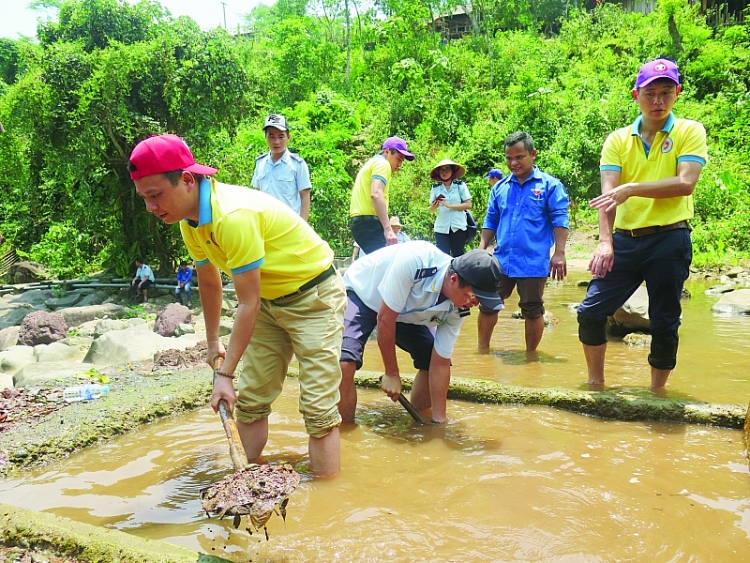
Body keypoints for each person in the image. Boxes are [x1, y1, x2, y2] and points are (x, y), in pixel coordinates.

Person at [128, 133, 347, 476]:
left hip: (313, 298)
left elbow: (248, 302)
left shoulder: (232, 216)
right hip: (268, 303)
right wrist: (214, 342)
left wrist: (226, 374)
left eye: (155, 196)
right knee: (252, 402)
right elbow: (209, 282)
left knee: (318, 411)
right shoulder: (189, 220)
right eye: (144, 199)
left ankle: (327, 507)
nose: (150, 208)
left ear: (187, 180)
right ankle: (243, 482)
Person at [577, 58, 707, 389]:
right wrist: (605, 241)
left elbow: (686, 182)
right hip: (624, 241)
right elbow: (608, 197)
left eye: (666, 92)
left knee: (664, 320)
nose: (658, 101)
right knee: (590, 311)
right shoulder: (617, 140)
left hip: (670, 239)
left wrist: (632, 189)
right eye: (650, 93)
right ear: (636, 95)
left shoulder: (688, 131)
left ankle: (656, 392)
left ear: (677, 93)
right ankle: (596, 386)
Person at [338, 241, 503, 424]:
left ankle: (418, 420)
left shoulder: (459, 308)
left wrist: (439, 422)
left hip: (405, 314)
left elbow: (439, 363)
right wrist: (392, 373)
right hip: (364, 295)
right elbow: (385, 319)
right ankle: (345, 432)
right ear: (454, 279)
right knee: (344, 363)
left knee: (429, 359)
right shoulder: (415, 260)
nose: (475, 304)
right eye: (474, 296)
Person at [477, 132, 570, 353]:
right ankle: (482, 351)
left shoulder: (550, 186)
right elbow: (491, 219)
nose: (513, 163)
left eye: (519, 157)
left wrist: (559, 253)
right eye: (509, 158)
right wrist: (481, 250)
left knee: (532, 309)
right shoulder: (500, 187)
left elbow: (560, 220)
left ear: (533, 154)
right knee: (488, 304)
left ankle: (531, 356)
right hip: (501, 260)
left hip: (533, 261)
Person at [350, 137, 414, 254]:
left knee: (379, 265)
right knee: (387, 263)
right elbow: (376, 193)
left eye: (402, 161)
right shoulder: (382, 164)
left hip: (361, 222)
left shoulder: (372, 163)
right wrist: (388, 229)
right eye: (398, 159)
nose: (399, 164)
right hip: (369, 222)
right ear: (387, 151)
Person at [251, 114, 312, 221]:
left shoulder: (297, 164)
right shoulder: (260, 163)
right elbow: (256, 195)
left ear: (288, 137)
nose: (276, 142)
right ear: (265, 137)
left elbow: (305, 197)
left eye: (281, 136)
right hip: (265, 225)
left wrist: (303, 227)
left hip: (289, 226)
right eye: (271, 136)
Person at [429, 159, 473, 257]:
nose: (444, 172)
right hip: (441, 227)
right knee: (442, 256)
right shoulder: (435, 188)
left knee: (458, 255)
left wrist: (450, 206)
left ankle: (458, 273)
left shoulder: (460, 185)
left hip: (458, 226)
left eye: (447, 169)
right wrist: (434, 205)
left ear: (452, 171)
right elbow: (431, 210)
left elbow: (468, 205)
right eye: (442, 170)